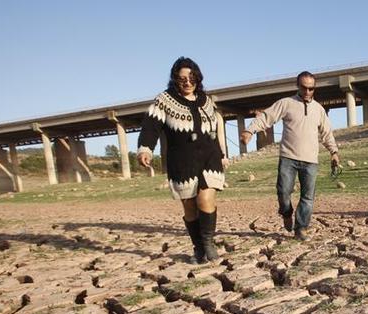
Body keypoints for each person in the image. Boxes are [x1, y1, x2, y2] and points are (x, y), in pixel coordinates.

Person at [137, 56, 229, 263]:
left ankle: (208, 243)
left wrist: (222, 155)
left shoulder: (207, 101)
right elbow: (151, 126)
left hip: (209, 158)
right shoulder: (165, 100)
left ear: (198, 78)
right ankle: (198, 246)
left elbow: (216, 130)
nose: (187, 82)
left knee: (206, 200)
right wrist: (145, 150)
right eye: (182, 79)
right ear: (175, 81)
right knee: (189, 206)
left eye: (191, 78)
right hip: (182, 161)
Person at [240, 71, 341, 241]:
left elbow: (327, 133)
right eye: (304, 87)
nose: (308, 92)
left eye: (311, 88)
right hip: (288, 157)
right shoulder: (286, 103)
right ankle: (286, 212)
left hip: (310, 161)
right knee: (283, 192)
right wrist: (250, 130)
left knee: (308, 197)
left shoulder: (319, 109)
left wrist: (334, 152)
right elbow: (266, 117)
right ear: (297, 86)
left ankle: (301, 228)